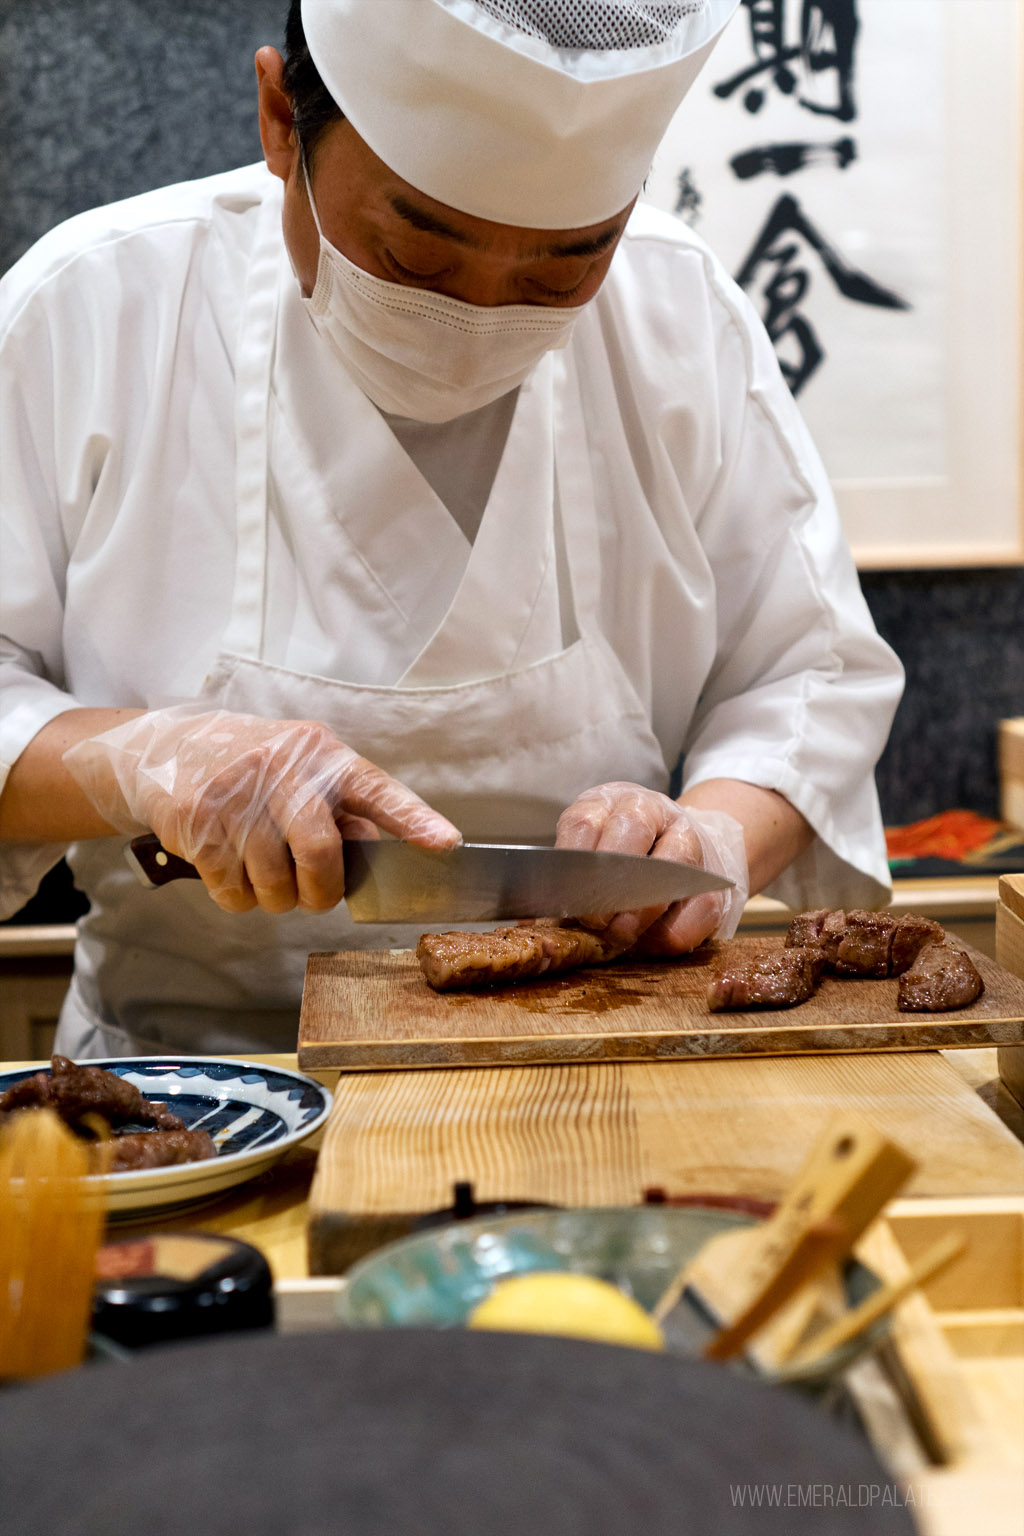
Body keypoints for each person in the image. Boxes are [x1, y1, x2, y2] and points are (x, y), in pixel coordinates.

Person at [0, 0, 903, 1059]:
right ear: (282, 122)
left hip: (614, 1048)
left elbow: (808, 677)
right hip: (188, 1080)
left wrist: (707, 834)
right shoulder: (93, 306)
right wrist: (140, 761)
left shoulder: (678, 310)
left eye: (559, 269)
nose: (476, 324)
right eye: (417, 253)